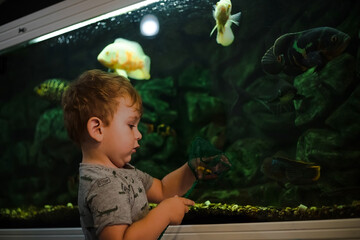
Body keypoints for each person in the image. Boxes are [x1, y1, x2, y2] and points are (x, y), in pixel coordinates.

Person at [62, 69, 196, 240]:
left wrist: (192, 169)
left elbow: (163, 189)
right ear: (98, 129)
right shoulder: (104, 185)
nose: (139, 134)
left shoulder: (122, 172)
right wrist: (165, 213)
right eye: (131, 125)